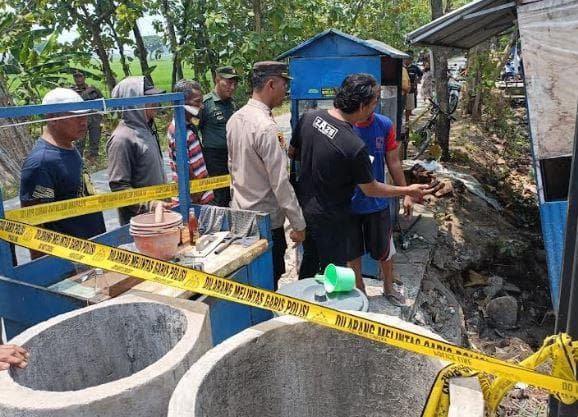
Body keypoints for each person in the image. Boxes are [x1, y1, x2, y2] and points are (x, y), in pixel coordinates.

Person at [290, 73, 434, 279]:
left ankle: (300, 306)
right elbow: (371, 188)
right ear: (362, 107)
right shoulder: (352, 145)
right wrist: (407, 190)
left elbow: (292, 152)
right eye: (374, 103)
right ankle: (328, 309)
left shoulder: (309, 118)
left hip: (306, 211)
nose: (375, 107)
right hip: (333, 219)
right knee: (334, 274)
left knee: (309, 262)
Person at [227, 62, 306, 288]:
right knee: (269, 278)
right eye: (283, 85)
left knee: (250, 278)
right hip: (265, 223)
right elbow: (280, 182)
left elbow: (232, 167)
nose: (285, 92)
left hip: (240, 216)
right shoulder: (267, 128)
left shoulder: (236, 118)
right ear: (271, 84)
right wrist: (298, 224)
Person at [20, 88, 106, 259]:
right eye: (76, 116)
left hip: (92, 253)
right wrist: (51, 274)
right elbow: (36, 227)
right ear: (52, 118)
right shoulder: (41, 163)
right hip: (70, 264)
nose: (84, 122)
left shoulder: (69, 146)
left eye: (85, 115)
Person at [348, 111, 414, 303]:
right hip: (348, 203)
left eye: (376, 99)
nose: (372, 105)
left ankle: (388, 286)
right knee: (352, 251)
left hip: (377, 202)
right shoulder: (345, 125)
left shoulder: (384, 124)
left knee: (385, 249)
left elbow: (393, 161)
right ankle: (359, 289)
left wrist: (406, 192)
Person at [107, 76, 167, 225]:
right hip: (140, 224)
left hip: (159, 216)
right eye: (148, 98)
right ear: (133, 101)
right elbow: (119, 187)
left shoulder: (146, 130)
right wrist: (149, 204)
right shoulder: (122, 139)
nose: (155, 102)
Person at [168, 79, 214, 205]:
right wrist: (197, 193)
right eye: (197, 102)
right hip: (193, 201)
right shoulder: (179, 131)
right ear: (182, 103)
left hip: (200, 197)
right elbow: (184, 167)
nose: (202, 106)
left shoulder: (189, 125)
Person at [200, 66, 240, 207]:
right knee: (220, 195)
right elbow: (194, 130)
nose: (232, 87)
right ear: (217, 80)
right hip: (214, 158)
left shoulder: (232, 103)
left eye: (234, 83)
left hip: (233, 155)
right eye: (228, 82)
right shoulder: (206, 104)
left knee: (233, 193)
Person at [71, 70, 104, 162]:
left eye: (80, 76)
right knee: (79, 141)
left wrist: (100, 116)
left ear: (84, 78)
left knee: (95, 139)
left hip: (94, 118)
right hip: (79, 119)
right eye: (76, 77)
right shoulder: (71, 91)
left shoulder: (93, 89)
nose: (78, 79)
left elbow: (103, 102)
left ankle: (94, 160)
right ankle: (78, 161)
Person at [404, 52, 423, 124]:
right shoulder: (401, 67)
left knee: (409, 106)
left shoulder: (415, 67)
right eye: (405, 59)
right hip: (402, 89)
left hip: (411, 89)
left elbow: (421, 74)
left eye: (408, 59)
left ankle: (407, 120)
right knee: (402, 105)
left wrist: (416, 82)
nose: (406, 60)